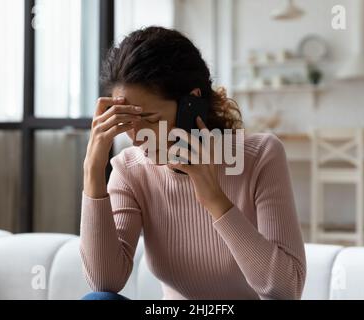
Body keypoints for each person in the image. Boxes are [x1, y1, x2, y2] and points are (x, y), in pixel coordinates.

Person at [80, 26, 306, 300]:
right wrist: (93, 173)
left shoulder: (260, 156)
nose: (137, 138)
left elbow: (286, 288)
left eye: (150, 119)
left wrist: (215, 200)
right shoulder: (129, 170)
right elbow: (105, 280)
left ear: (192, 103)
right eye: (127, 121)